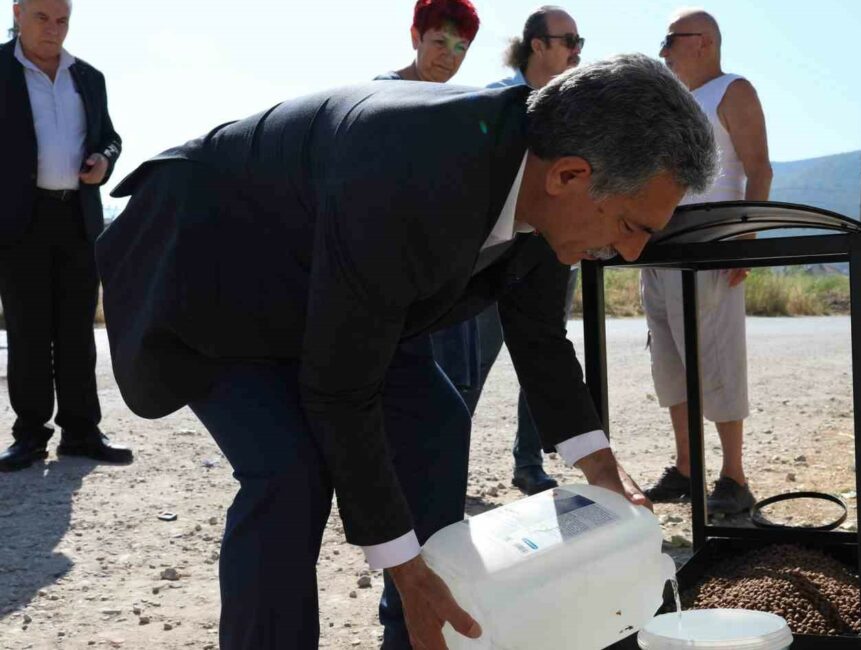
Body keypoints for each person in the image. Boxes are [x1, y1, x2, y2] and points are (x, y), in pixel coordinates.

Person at [96, 54, 716, 650]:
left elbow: (538, 336)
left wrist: (600, 466)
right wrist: (404, 567)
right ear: (570, 176)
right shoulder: (412, 169)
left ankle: (420, 637)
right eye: (633, 227)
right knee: (289, 470)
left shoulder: (549, 180)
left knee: (437, 424)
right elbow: (341, 388)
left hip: (343, 288)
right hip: (221, 277)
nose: (632, 254)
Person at [432, 5, 585, 496]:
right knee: (469, 365)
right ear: (537, 45)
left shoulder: (577, 111)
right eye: (568, 41)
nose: (577, 52)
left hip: (552, 255)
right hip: (493, 257)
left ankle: (529, 463)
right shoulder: (495, 101)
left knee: (541, 355)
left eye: (580, 43)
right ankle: (443, 462)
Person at [642, 9, 773, 516]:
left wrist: (746, 240)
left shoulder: (733, 91)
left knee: (716, 355)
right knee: (669, 358)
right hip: (660, 241)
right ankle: (686, 466)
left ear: (703, 42)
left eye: (669, 39)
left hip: (712, 237)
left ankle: (734, 475)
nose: (663, 50)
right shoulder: (672, 101)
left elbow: (759, 169)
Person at [0, 0, 129, 472]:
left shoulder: (89, 77)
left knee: (77, 330)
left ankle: (81, 432)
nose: (53, 29)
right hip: (18, 220)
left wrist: (104, 158)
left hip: (78, 218)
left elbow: (111, 136)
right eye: (42, 18)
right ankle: (29, 436)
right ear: (17, 13)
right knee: (29, 329)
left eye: (62, 20)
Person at [375, 0, 478, 83]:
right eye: (440, 42)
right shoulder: (385, 90)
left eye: (460, 47)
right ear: (416, 37)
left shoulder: (452, 104)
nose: (449, 57)